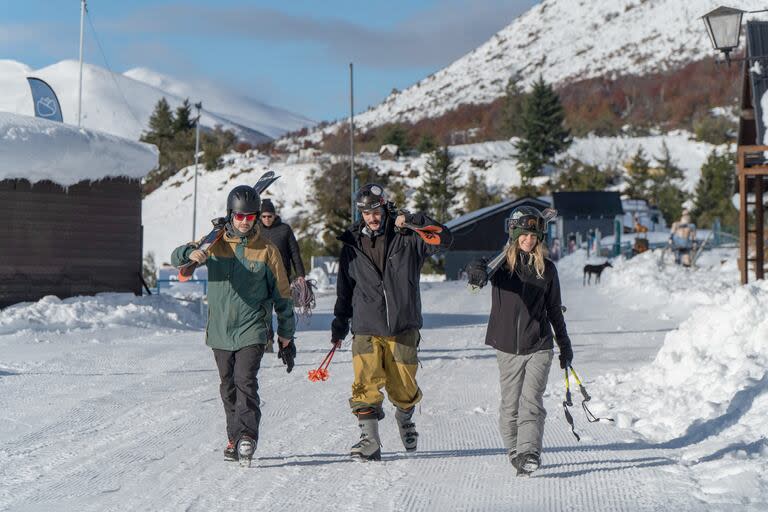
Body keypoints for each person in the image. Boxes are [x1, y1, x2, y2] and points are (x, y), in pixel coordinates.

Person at [171, 185, 296, 467]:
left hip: (252, 329)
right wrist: (191, 254)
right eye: (240, 217)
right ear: (231, 215)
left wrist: (287, 335)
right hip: (220, 331)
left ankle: (247, 436)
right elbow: (175, 257)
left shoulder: (267, 250)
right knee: (227, 387)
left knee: (245, 382)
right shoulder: (213, 243)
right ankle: (233, 438)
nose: (245, 222)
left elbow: (283, 296)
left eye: (250, 217)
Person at [331, 183, 454, 461]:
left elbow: (444, 238)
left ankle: (405, 416)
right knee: (365, 384)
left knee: (404, 388)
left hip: (402, 325)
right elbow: (345, 288)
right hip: (365, 326)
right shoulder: (351, 244)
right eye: (365, 212)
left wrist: (413, 220)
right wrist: (340, 323)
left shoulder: (408, 236)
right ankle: (369, 440)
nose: (371, 218)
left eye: (375, 211)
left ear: (385, 206)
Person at [465, 205, 573, 476]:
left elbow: (554, 309)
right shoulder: (501, 267)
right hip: (507, 347)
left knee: (532, 401)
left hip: (539, 344)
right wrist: (475, 269)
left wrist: (565, 344)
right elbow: (480, 273)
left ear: (539, 237)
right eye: (524, 234)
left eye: (533, 235)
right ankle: (515, 452)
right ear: (514, 235)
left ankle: (530, 451)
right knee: (510, 405)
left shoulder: (547, 269)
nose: (528, 239)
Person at [258, 198, 306, 352]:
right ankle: (267, 340)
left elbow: (294, 253)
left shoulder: (285, 229)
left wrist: (300, 274)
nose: (266, 219)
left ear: (274, 215)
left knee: (284, 311)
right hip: (261, 278)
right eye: (264, 216)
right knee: (264, 311)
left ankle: (285, 340)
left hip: (282, 278)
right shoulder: (255, 230)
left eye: (269, 216)